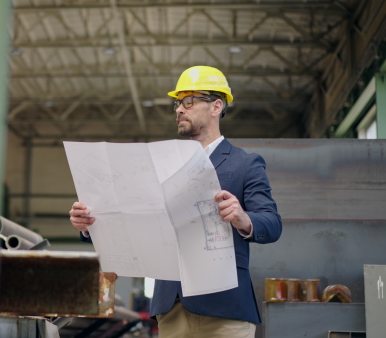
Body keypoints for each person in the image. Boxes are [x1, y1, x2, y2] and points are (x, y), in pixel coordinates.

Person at [69, 65, 282, 338]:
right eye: (177, 103)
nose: (179, 109)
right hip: (171, 308)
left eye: (189, 102)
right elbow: (135, 219)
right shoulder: (160, 166)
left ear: (216, 106)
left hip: (226, 307)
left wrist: (243, 218)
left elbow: (272, 224)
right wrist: (90, 224)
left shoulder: (245, 164)